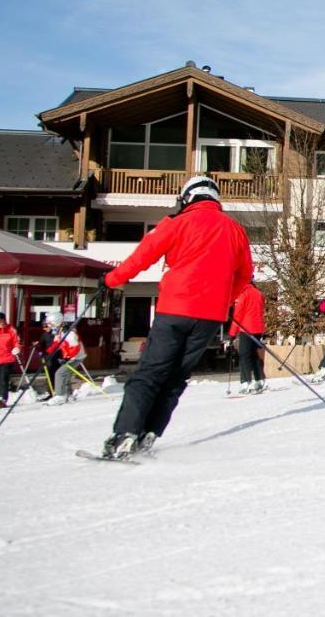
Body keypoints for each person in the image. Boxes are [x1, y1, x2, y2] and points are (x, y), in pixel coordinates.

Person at [95, 175, 252, 459]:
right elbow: (244, 275)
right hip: (209, 317)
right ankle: (150, 433)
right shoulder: (236, 230)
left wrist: (110, 280)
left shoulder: (176, 223)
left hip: (175, 309)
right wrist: (224, 300)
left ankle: (125, 435)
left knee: (149, 373)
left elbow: (141, 258)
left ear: (187, 198)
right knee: (176, 376)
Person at [228, 280, 267, 394]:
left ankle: (245, 382)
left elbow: (238, 315)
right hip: (258, 328)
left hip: (246, 328)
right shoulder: (258, 293)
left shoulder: (243, 294)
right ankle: (259, 379)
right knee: (254, 354)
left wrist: (232, 334)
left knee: (244, 355)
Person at [43, 311, 86, 405]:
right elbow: (56, 344)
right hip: (70, 357)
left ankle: (59, 396)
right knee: (65, 374)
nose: (48, 326)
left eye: (50, 324)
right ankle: (68, 395)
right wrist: (47, 353)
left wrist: (67, 357)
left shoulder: (68, 332)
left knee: (59, 373)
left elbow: (75, 346)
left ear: (56, 322)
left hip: (76, 357)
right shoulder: (58, 331)